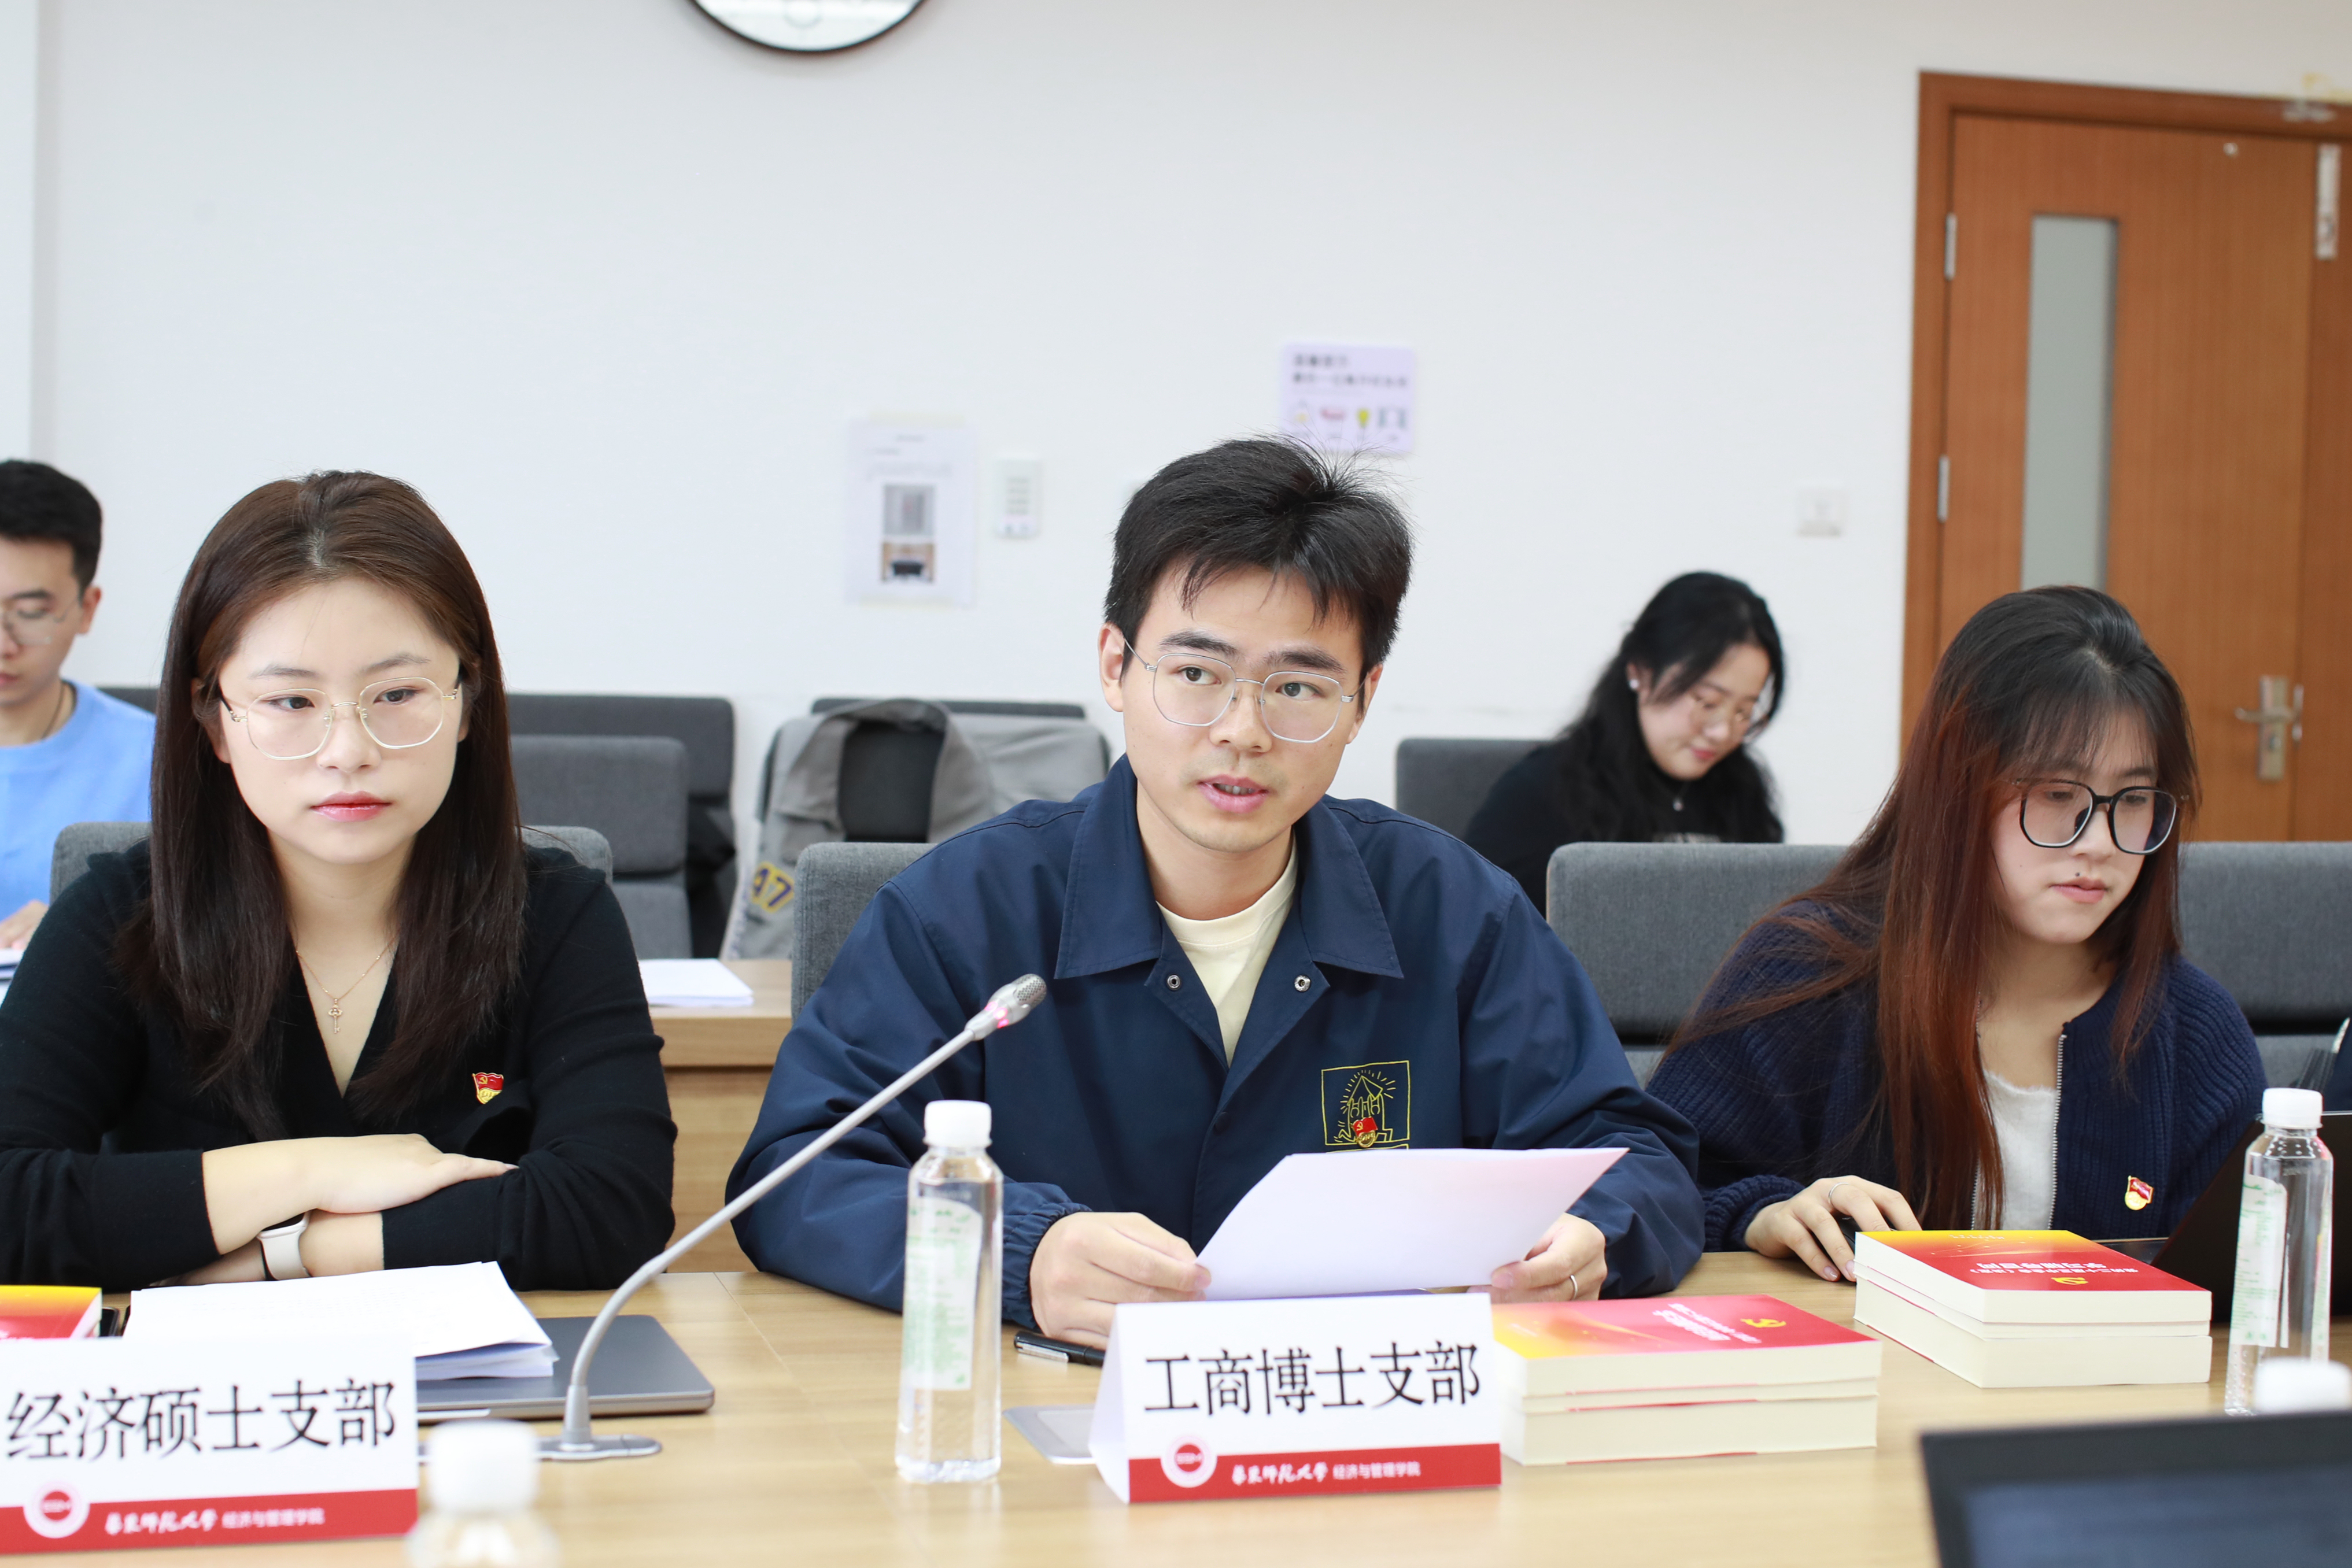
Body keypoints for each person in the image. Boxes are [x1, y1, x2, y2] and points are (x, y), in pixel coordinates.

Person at [729, 438, 1704, 1345]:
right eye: (1196, 672)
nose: (1242, 730)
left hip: (1361, 1420)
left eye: (1297, 688)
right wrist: (1016, 1254)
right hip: (1050, 1425)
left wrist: (1590, 1236)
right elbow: (799, 1173)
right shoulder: (964, 911)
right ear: (1115, 666)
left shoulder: (1452, 912)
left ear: (1360, 701)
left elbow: (1633, 1154)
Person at [0, 471, 674, 1290]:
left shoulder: (556, 915)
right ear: (215, 723)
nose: (348, 751)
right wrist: (316, 1171)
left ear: (468, 703)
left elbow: (612, 1211)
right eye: (291, 702)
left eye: (397, 694)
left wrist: (281, 1253)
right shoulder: (118, 917)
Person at [1646, 587, 2264, 1284]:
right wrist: (1759, 1213)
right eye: (2056, 795)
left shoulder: (2193, 1033)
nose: (2097, 841)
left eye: (2132, 799)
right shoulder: (1807, 973)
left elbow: (2240, 1284)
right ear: (1959, 789)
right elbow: (1645, 1185)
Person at [1464, 571, 1784, 910]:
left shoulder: (1743, 793)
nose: (1723, 732)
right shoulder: (1542, 794)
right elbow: (1475, 922)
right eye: (1707, 702)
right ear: (1641, 671)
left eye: (1744, 712)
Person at [0, 460, 154, 948]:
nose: (5, 644)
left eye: (31, 614)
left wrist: (82, 929)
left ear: (86, 610)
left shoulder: (158, 759)